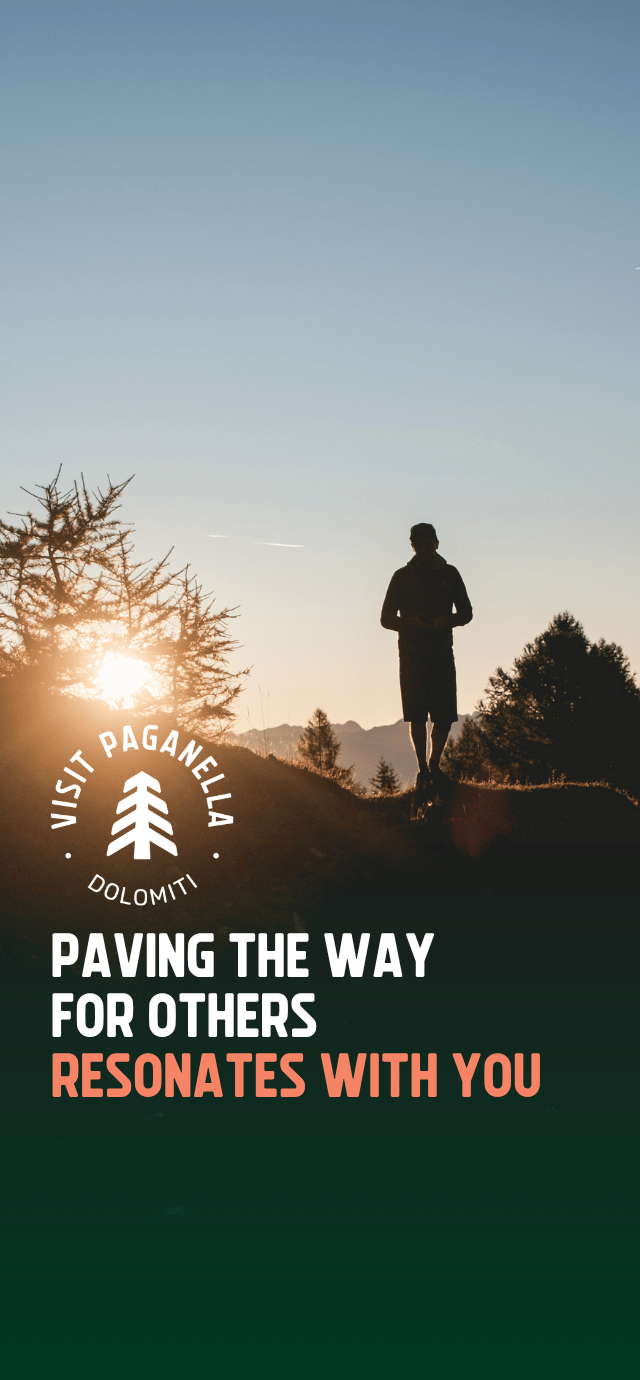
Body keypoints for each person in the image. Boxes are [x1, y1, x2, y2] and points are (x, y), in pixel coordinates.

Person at [380, 522, 473, 791]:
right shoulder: (401, 577)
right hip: (411, 656)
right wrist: (412, 623)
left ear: (436, 543)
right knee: (417, 715)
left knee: (444, 716)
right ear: (413, 546)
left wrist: (443, 622)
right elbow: (385, 619)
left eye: (426, 544)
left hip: (442, 653)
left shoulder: (451, 573)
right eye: (417, 545)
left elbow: (466, 612)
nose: (422, 549)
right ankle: (423, 769)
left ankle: (434, 764)